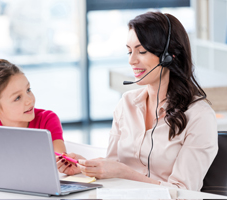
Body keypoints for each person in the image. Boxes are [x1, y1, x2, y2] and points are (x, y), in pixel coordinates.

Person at [56, 12, 218, 191]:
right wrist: (83, 167)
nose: (131, 60)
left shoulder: (199, 116)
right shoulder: (126, 103)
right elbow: (113, 165)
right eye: (129, 51)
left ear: (169, 55)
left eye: (141, 51)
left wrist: (124, 172)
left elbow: (183, 191)